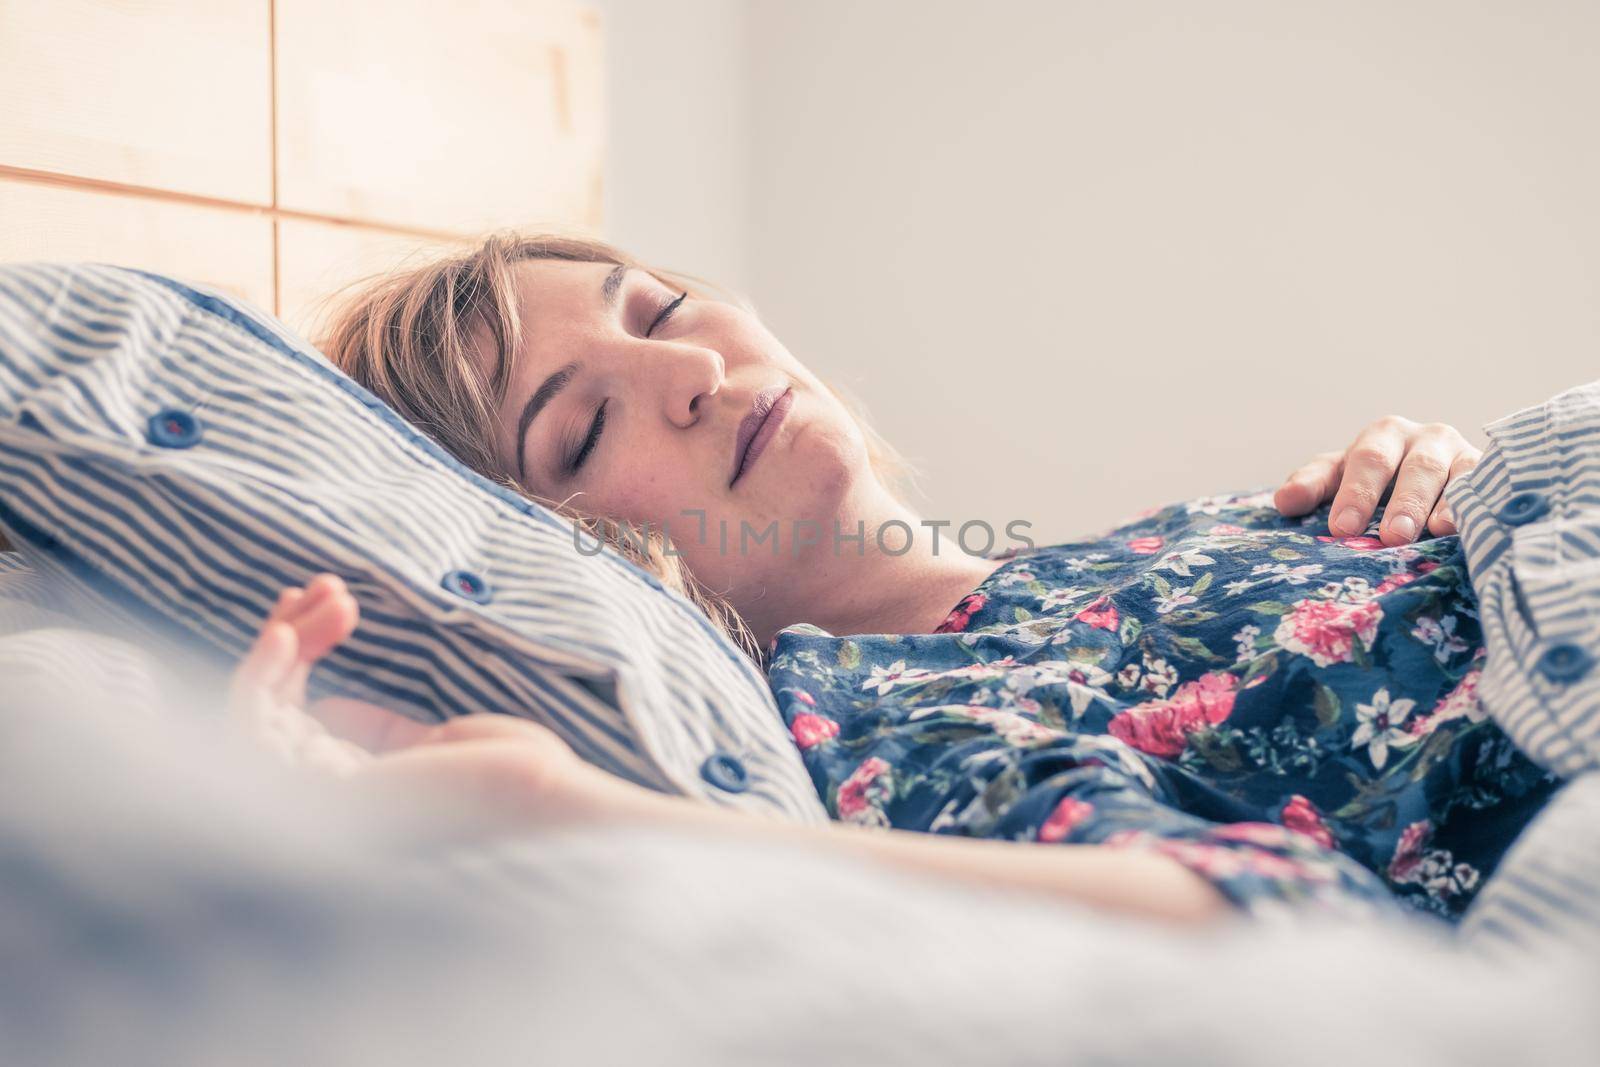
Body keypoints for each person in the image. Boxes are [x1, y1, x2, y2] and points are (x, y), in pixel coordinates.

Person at [252, 232, 1565, 927]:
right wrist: (557, 813)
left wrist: (1468, 483)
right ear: (554, 553)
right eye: (586, 427)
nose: (690, 374)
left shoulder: (1146, 542)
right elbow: (1280, 925)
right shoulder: (881, 718)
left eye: (655, 311)